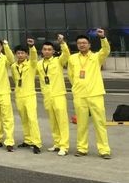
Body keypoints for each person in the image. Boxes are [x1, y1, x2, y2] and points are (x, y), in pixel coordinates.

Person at [68, 29, 111, 159]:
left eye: (84, 43)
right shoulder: (72, 58)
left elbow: (106, 50)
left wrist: (102, 38)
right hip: (79, 95)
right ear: (77, 45)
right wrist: (77, 86)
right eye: (79, 43)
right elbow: (71, 75)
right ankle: (82, 148)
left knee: (100, 123)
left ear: (89, 45)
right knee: (81, 124)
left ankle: (104, 150)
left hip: (95, 94)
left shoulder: (96, 57)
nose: (82, 45)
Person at [35, 34, 70, 156]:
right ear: (42, 51)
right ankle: (57, 143)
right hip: (47, 96)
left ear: (53, 51)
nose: (47, 51)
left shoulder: (58, 61)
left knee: (62, 121)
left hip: (58, 95)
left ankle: (64, 146)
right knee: (53, 121)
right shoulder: (39, 64)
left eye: (49, 49)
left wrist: (62, 43)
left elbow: (66, 54)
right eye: (45, 49)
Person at [11, 39, 42, 154]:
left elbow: (34, 57)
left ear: (26, 54)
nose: (20, 55)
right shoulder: (14, 66)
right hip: (19, 96)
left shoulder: (31, 64)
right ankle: (28, 140)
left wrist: (32, 47)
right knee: (24, 119)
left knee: (32, 119)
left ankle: (36, 143)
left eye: (22, 53)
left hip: (29, 95)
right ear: (15, 54)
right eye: (18, 53)